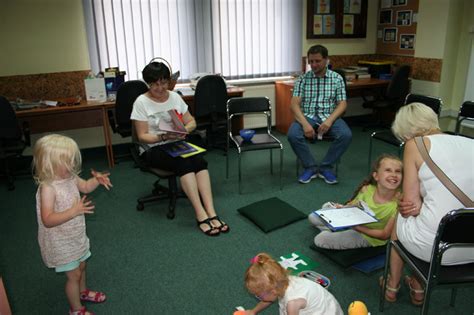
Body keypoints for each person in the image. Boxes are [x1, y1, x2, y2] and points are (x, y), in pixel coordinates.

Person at [381, 103, 474, 305]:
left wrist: (419, 205)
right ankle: (417, 284)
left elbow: (409, 204)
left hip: (438, 247)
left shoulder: (415, 145)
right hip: (471, 244)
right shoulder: (469, 142)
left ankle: (392, 285)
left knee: (400, 216)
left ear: (406, 132)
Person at [131, 61, 229, 236]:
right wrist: (162, 136)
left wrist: (184, 130)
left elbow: (191, 121)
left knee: (200, 162)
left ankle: (211, 211)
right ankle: (200, 214)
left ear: (168, 81)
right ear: (148, 84)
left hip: (176, 143)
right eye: (155, 84)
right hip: (153, 147)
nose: (160, 88)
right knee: (184, 164)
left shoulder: (175, 97)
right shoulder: (141, 102)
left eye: (163, 83)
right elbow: (142, 136)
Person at [33, 134, 113, 315]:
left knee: (82, 265)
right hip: (59, 240)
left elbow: (84, 186)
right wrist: (73, 211)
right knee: (74, 274)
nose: (72, 165)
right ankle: (76, 310)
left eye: (73, 160)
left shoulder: (69, 176)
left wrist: (96, 181)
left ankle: (82, 292)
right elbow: (47, 219)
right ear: (49, 164)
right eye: (67, 161)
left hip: (75, 234)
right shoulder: (48, 188)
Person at [308, 154, 402, 249]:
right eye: (388, 170)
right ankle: (335, 227)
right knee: (313, 217)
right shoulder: (367, 189)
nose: (394, 175)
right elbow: (353, 205)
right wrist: (342, 208)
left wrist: (358, 228)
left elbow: (384, 235)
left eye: (398, 171)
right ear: (376, 176)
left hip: (368, 236)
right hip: (354, 222)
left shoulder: (398, 205)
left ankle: (332, 230)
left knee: (320, 240)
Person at [288, 44, 352, 185]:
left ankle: (325, 167)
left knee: (346, 135)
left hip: (329, 115)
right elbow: (294, 104)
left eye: (317, 61)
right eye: (311, 62)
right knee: (293, 135)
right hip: (308, 115)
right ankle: (310, 167)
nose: (314, 65)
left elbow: (342, 104)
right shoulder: (302, 79)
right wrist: (305, 124)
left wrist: (329, 121)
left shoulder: (336, 78)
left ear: (326, 60)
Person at [243, 253, 343, 315]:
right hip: (327, 305)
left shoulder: (292, 303)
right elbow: (267, 299)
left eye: (259, 296)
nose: (259, 298)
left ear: (273, 290)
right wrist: (253, 311)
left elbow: (268, 299)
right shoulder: (281, 281)